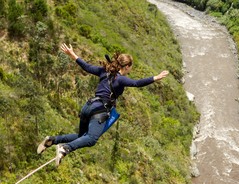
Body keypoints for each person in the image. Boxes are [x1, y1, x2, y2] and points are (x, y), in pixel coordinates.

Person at [37, 43, 169, 166]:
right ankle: (65, 148)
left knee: (82, 137)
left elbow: (87, 67)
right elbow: (137, 83)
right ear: (127, 67)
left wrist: (73, 55)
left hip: (88, 107)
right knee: (91, 139)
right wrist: (155, 78)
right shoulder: (121, 79)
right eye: (131, 67)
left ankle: (52, 140)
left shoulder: (104, 71)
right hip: (99, 110)